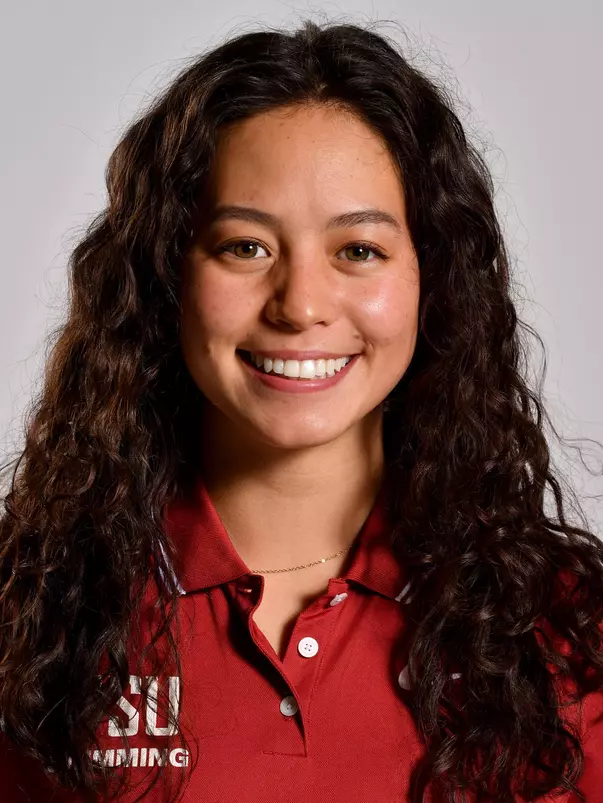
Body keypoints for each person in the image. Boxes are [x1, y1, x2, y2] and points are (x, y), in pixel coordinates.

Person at [0, 16, 602, 803]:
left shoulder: (562, 629)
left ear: (434, 282)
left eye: (359, 250)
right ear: (165, 277)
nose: (300, 304)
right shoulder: (31, 619)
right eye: (244, 247)